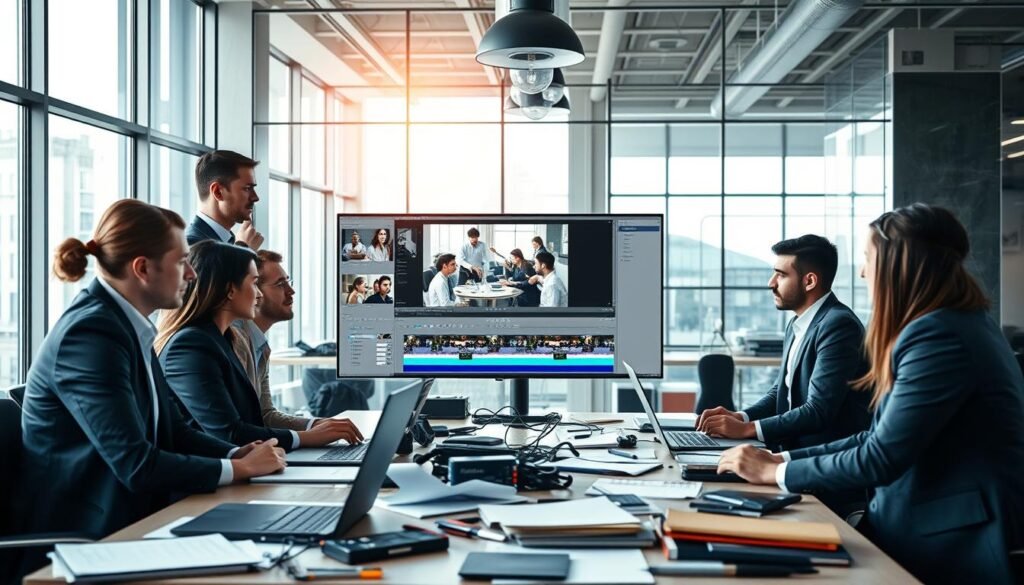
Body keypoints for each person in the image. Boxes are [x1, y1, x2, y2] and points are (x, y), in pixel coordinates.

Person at [717, 204, 1024, 584]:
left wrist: (775, 471)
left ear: (899, 264)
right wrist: (780, 458)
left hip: (950, 545)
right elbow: (874, 438)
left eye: (868, 258)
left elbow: (881, 456)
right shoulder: (960, 323)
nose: (863, 271)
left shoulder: (938, 336)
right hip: (922, 529)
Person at [19, 200, 286, 553]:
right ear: (143, 268)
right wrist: (237, 469)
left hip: (137, 518)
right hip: (89, 538)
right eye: (181, 262)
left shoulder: (125, 326)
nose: (191, 275)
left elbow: (173, 431)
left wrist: (236, 453)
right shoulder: (90, 334)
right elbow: (136, 464)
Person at [156, 240, 362, 449]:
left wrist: (316, 428)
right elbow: (229, 433)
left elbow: (255, 418)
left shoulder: (225, 339)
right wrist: (308, 437)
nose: (259, 294)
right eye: (254, 283)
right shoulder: (192, 345)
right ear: (230, 290)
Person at [696, 235, 870, 454]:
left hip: (820, 460)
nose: (771, 283)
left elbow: (818, 411)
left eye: (781, 275)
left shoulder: (839, 325)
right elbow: (782, 391)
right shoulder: (797, 323)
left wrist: (747, 429)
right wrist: (741, 417)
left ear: (809, 281)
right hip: (786, 452)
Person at [230, 250, 363, 438]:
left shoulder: (260, 345)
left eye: (288, 282)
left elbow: (266, 415)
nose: (291, 291)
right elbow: (238, 427)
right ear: (254, 292)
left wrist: (317, 424)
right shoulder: (236, 341)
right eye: (280, 284)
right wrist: (310, 436)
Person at [186, 150, 263, 249]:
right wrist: (244, 249)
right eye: (247, 188)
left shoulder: (229, 240)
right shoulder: (192, 246)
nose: (255, 197)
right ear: (218, 192)